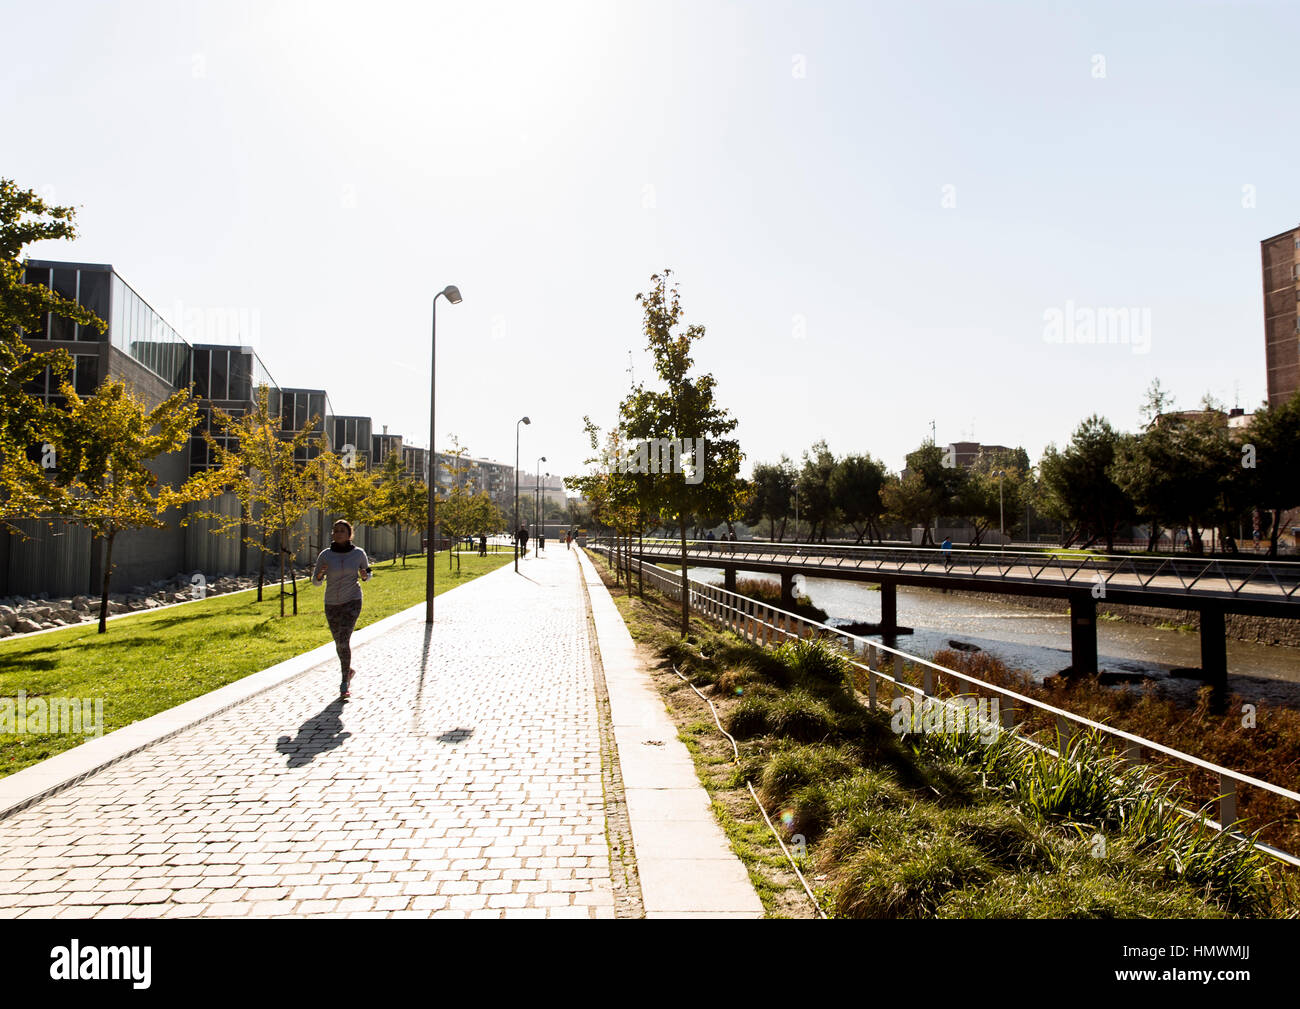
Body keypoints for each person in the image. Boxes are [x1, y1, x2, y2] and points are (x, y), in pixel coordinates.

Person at [311, 519, 371, 699]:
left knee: (344, 640)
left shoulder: (358, 554)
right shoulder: (326, 555)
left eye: (342, 531)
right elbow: (315, 581)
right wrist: (321, 573)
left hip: (352, 600)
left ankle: (344, 682)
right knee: (339, 643)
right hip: (331, 603)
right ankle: (349, 669)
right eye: (335, 531)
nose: (338, 534)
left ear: (349, 534)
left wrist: (365, 575)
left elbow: (368, 574)